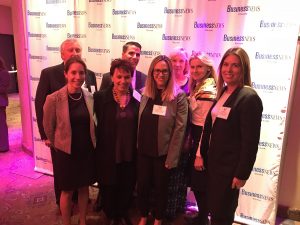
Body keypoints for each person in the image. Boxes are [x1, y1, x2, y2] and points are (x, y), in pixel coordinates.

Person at [201, 47, 263, 225]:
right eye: (226, 64)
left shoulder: (248, 97)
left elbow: (250, 142)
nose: (229, 69)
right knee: (216, 211)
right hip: (215, 165)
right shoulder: (224, 92)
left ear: (244, 68)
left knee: (223, 214)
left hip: (229, 170)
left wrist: (241, 174)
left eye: (235, 65)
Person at [35, 38, 97, 206]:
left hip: (83, 137)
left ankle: (79, 200)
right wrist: (45, 135)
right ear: (62, 54)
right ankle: (62, 203)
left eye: (78, 50)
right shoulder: (48, 73)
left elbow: (92, 102)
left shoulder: (89, 74)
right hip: (60, 137)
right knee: (63, 176)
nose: (75, 53)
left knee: (82, 176)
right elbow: (40, 104)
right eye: (71, 50)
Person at [43, 56, 96, 225]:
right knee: (66, 191)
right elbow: (48, 128)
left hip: (86, 151)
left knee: (83, 187)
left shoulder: (89, 96)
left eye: (81, 73)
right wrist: (60, 143)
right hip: (66, 153)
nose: (77, 77)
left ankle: (82, 220)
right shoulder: (53, 99)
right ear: (65, 74)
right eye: (73, 72)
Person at [137, 55, 188, 225]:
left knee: (161, 189)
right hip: (143, 151)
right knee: (143, 187)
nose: (160, 74)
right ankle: (144, 216)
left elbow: (179, 129)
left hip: (163, 153)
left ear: (170, 72)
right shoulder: (145, 93)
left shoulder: (178, 97)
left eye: (164, 71)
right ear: (152, 73)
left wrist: (172, 157)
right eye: (157, 70)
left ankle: (158, 219)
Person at [94, 59, 139, 225]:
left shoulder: (136, 98)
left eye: (127, 77)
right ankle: (111, 215)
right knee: (108, 185)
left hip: (129, 152)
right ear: (112, 76)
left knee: (126, 184)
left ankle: (122, 212)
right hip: (107, 153)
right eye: (119, 76)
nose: (123, 81)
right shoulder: (100, 98)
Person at [187, 51, 217, 225]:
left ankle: (203, 219)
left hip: (202, 140)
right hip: (197, 137)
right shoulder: (201, 85)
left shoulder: (207, 89)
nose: (195, 70)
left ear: (207, 68)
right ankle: (202, 217)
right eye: (192, 66)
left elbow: (207, 126)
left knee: (200, 184)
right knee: (199, 184)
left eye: (199, 66)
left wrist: (199, 154)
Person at [165, 47, 190, 220]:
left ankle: (176, 210)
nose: (177, 64)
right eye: (174, 60)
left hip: (186, 135)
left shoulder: (192, 82)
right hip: (165, 135)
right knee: (165, 174)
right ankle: (162, 208)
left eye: (181, 61)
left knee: (180, 174)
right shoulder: (164, 80)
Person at [0, 57, 10, 152]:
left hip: (0, 103)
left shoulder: (4, 72)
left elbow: (3, 88)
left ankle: (3, 147)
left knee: (1, 125)